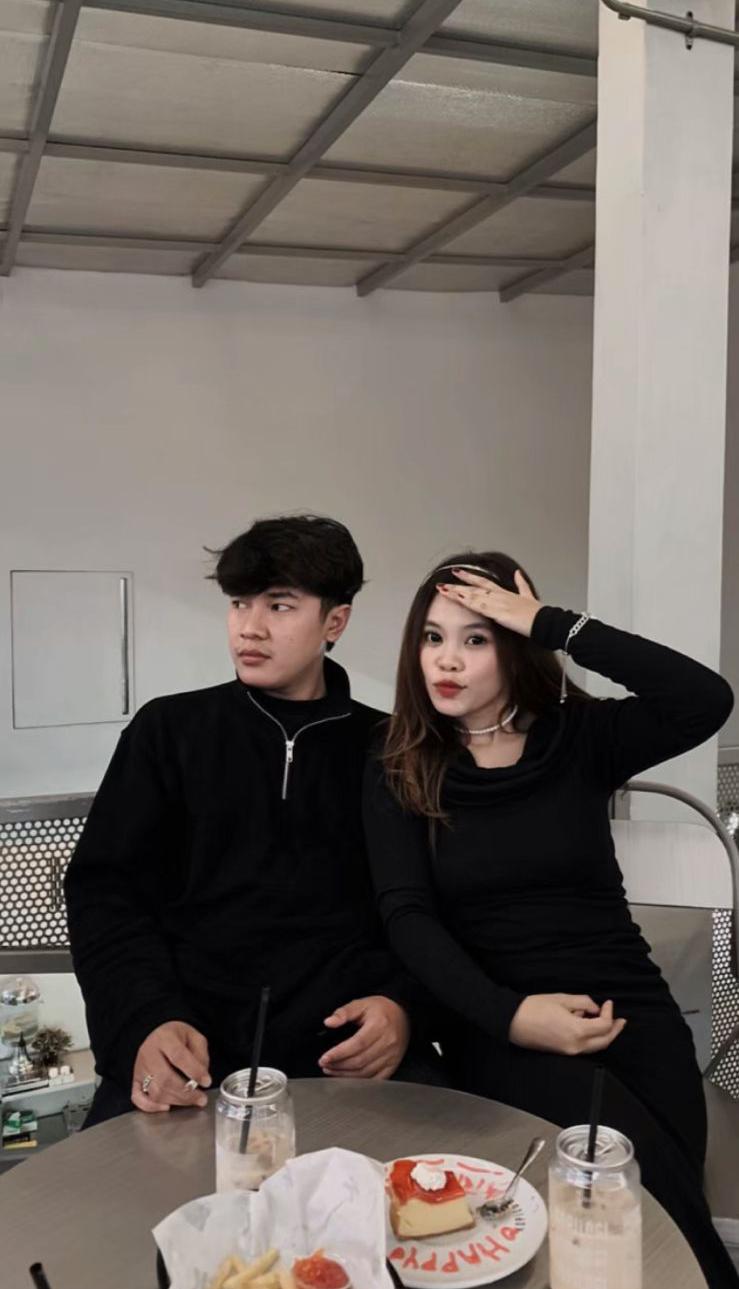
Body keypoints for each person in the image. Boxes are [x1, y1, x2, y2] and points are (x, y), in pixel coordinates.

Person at [363, 550, 738, 1289]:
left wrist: (550, 623)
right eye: (433, 636)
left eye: (476, 638)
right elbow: (407, 918)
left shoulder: (579, 737)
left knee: (666, 1203)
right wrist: (512, 1018)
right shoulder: (397, 760)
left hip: (631, 1011)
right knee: (638, 1197)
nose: (446, 659)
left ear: (515, 643)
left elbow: (704, 699)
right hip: (499, 1024)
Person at [65, 514, 440, 1128]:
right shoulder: (169, 732)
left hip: (347, 1052)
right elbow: (105, 895)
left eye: (280, 605)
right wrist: (144, 1022)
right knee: (113, 1187)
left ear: (335, 622)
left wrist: (403, 1008)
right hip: (191, 1051)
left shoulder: (393, 748)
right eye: (239, 603)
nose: (250, 627)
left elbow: (434, 905)